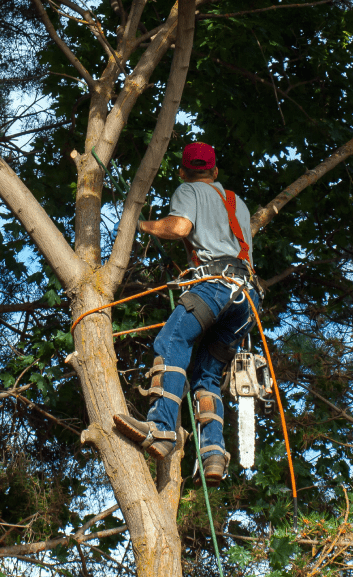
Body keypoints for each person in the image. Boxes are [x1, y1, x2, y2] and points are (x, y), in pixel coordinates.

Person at [113, 142, 262, 486]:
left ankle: (162, 428)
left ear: (183, 171)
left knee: (172, 340)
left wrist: (142, 225)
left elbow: (180, 227)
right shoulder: (237, 202)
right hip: (247, 299)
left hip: (215, 287)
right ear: (215, 171)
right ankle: (213, 454)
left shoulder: (188, 190)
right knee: (207, 375)